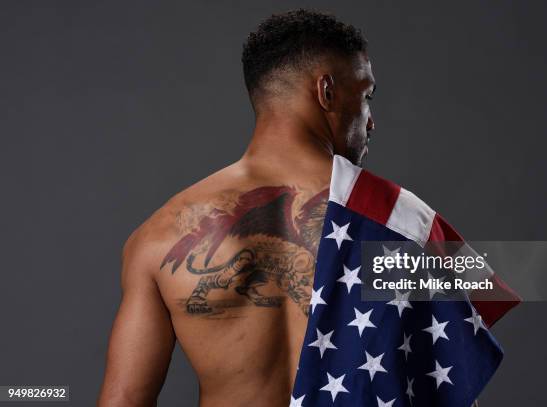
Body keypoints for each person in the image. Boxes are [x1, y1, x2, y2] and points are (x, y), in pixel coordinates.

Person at [98, 9, 376, 406]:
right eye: (366, 96)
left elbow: (122, 400)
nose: (370, 123)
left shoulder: (157, 236)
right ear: (326, 91)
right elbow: (451, 380)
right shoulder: (399, 223)